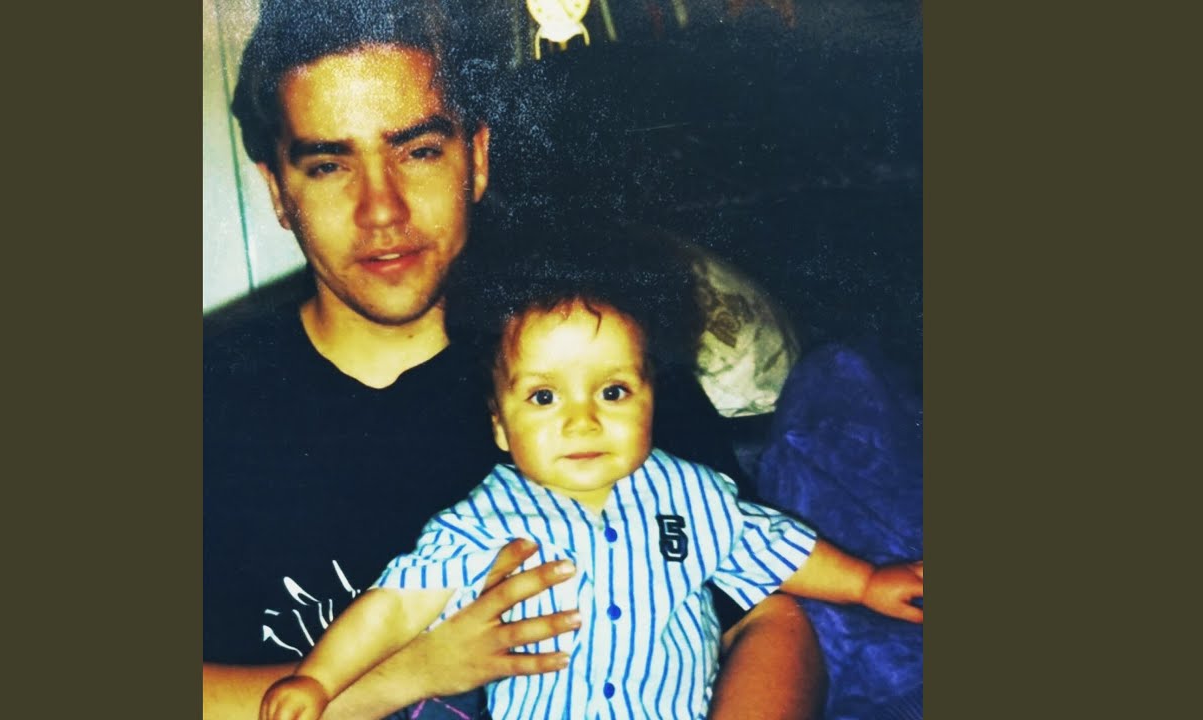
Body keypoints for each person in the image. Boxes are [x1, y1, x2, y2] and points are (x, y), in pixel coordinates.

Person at [204, 2, 826, 719]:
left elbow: (768, 618)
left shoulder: (596, 368)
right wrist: (413, 674)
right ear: (278, 191)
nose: (382, 211)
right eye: (328, 165)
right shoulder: (209, 401)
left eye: (418, 151)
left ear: (476, 158)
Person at [257, 239, 923, 720]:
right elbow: (397, 605)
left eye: (612, 391)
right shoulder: (481, 521)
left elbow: (775, 547)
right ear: (500, 425)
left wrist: (866, 583)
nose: (582, 421)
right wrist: (318, 679)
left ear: (651, 400)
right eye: (544, 397)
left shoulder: (693, 494)